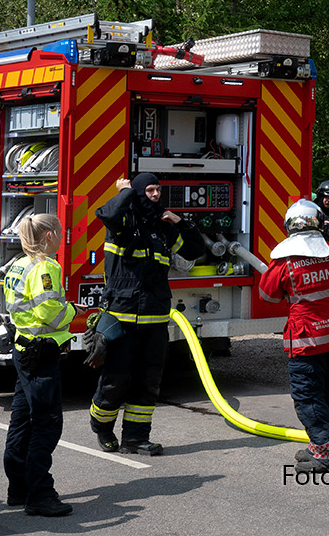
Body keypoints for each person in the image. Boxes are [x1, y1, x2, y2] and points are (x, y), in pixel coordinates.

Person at [89, 172, 206, 455]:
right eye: (150, 190)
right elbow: (107, 213)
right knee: (115, 381)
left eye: (158, 190)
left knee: (148, 383)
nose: (155, 195)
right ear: (139, 192)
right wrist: (125, 192)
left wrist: (180, 222)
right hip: (122, 318)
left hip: (155, 319)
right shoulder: (122, 222)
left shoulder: (163, 226)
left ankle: (135, 438)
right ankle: (102, 427)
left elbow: (195, 250)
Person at [259, 199, 329, 473]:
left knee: (308, 398)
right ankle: (318, 444)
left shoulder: (285, 263)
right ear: (320, 223)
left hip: (305, 343)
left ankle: (327, 455)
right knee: (326, 395)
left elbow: (267, 294)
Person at [2, 213, 76, 517]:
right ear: (48, 235)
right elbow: (49, 312)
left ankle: (18, 489)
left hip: (23, 351)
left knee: (21, 421)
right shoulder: (46, 267)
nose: (61, 236)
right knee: (46, 424)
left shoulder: (19, 264)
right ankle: (40, 495)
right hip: (41, 354)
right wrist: (73, 312)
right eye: (59, 231)